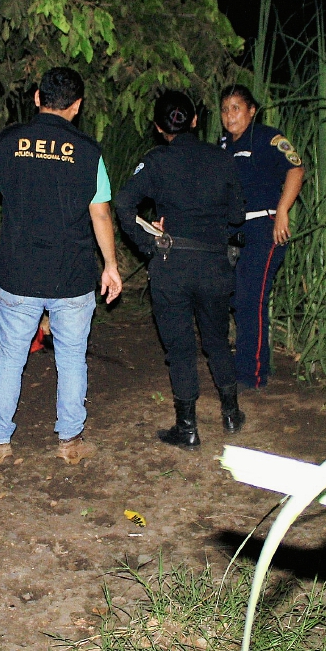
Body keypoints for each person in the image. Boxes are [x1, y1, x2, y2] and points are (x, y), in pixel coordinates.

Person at [0, 67, 122, 465]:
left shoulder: (7, 143)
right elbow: (100, 214)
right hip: (72, 275)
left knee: (10, 357)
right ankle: (70, 442)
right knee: (71, 358)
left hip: (18, 272)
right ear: (77, 105)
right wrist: (110, 264)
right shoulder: (88, 151)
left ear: (37, 98)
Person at [115, 91, 245, 448]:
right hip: (214, 263)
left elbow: (124, 203)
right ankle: (231, 413)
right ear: (195, 120)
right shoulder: (221, 158)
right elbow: (237, 215)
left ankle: (187, 429)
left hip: (172, 263)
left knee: (180, 347)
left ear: (159, 128)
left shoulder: (157, 160)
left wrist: (148, 243)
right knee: (216, 339)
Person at [218, 85, 305, 389]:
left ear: (252, 110)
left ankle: (251, 375)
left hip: (262, 229)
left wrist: (282, 211)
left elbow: (296, 170)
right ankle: (249, 362)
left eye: (236, 108)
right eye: (225, 109)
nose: (230, 115)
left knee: (250, 299)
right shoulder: (222, 145)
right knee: (230, 294)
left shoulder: (269, 138)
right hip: (231, 231)